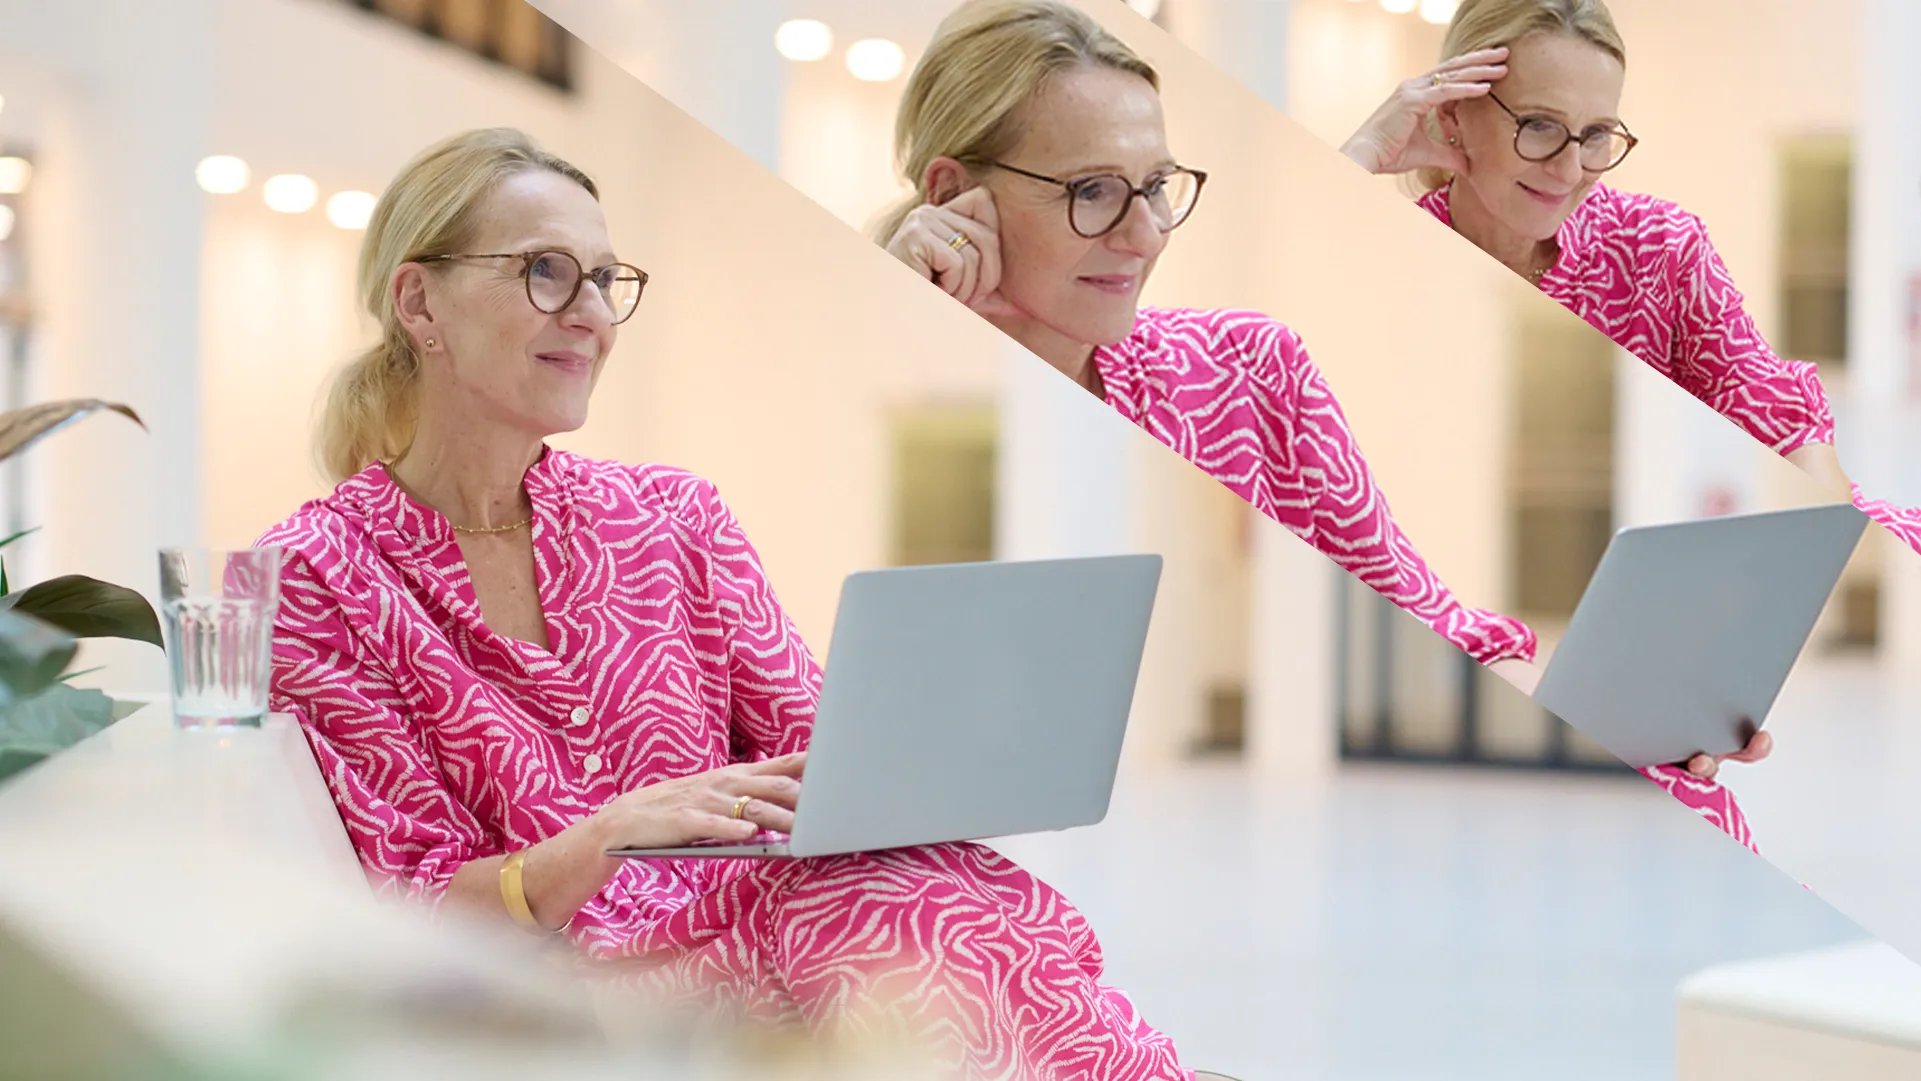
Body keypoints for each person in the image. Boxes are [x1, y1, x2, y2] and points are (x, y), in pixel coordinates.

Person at [258, 127, 1194, 1081]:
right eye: (547, 271)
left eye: (604, 280)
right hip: (554, 985)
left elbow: (817, 754)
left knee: (918, 888)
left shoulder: (673, 515)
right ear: (420, 301)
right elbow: (403, 905)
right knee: (898, 918)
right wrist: (600, 838)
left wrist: (931, 751)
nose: (591, 315)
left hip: (765, 925)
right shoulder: (313, 575)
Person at [876, 0, 1765, 846]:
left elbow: (1421, 603)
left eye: (1156, 187)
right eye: (1096, 191)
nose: (1144, 235)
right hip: (966, 821)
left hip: (1202, 839)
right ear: (954, 193)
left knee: (1696, 800)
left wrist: (1626, 720)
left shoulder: (1248, 370)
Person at [1341, 0, 1921, 553]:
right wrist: (1364, 150)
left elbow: (1786, 424)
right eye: (1540, 125)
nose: (1569, 170)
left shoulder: (1658, 245)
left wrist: (1818, 545)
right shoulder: (1384, 263)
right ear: (1453, 115)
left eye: (1595, 135)